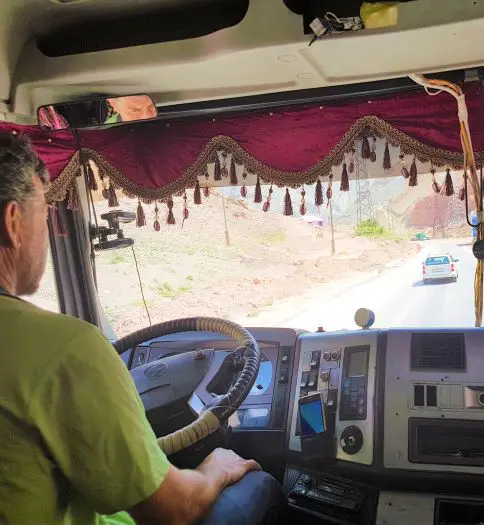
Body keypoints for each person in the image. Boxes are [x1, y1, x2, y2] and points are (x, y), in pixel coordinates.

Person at [0, 131, 284, 524]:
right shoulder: (63, 349)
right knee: (257, 483)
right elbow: (171, 510)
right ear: (13, 222)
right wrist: (218, 465)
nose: (46, 234)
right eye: (44, 215)